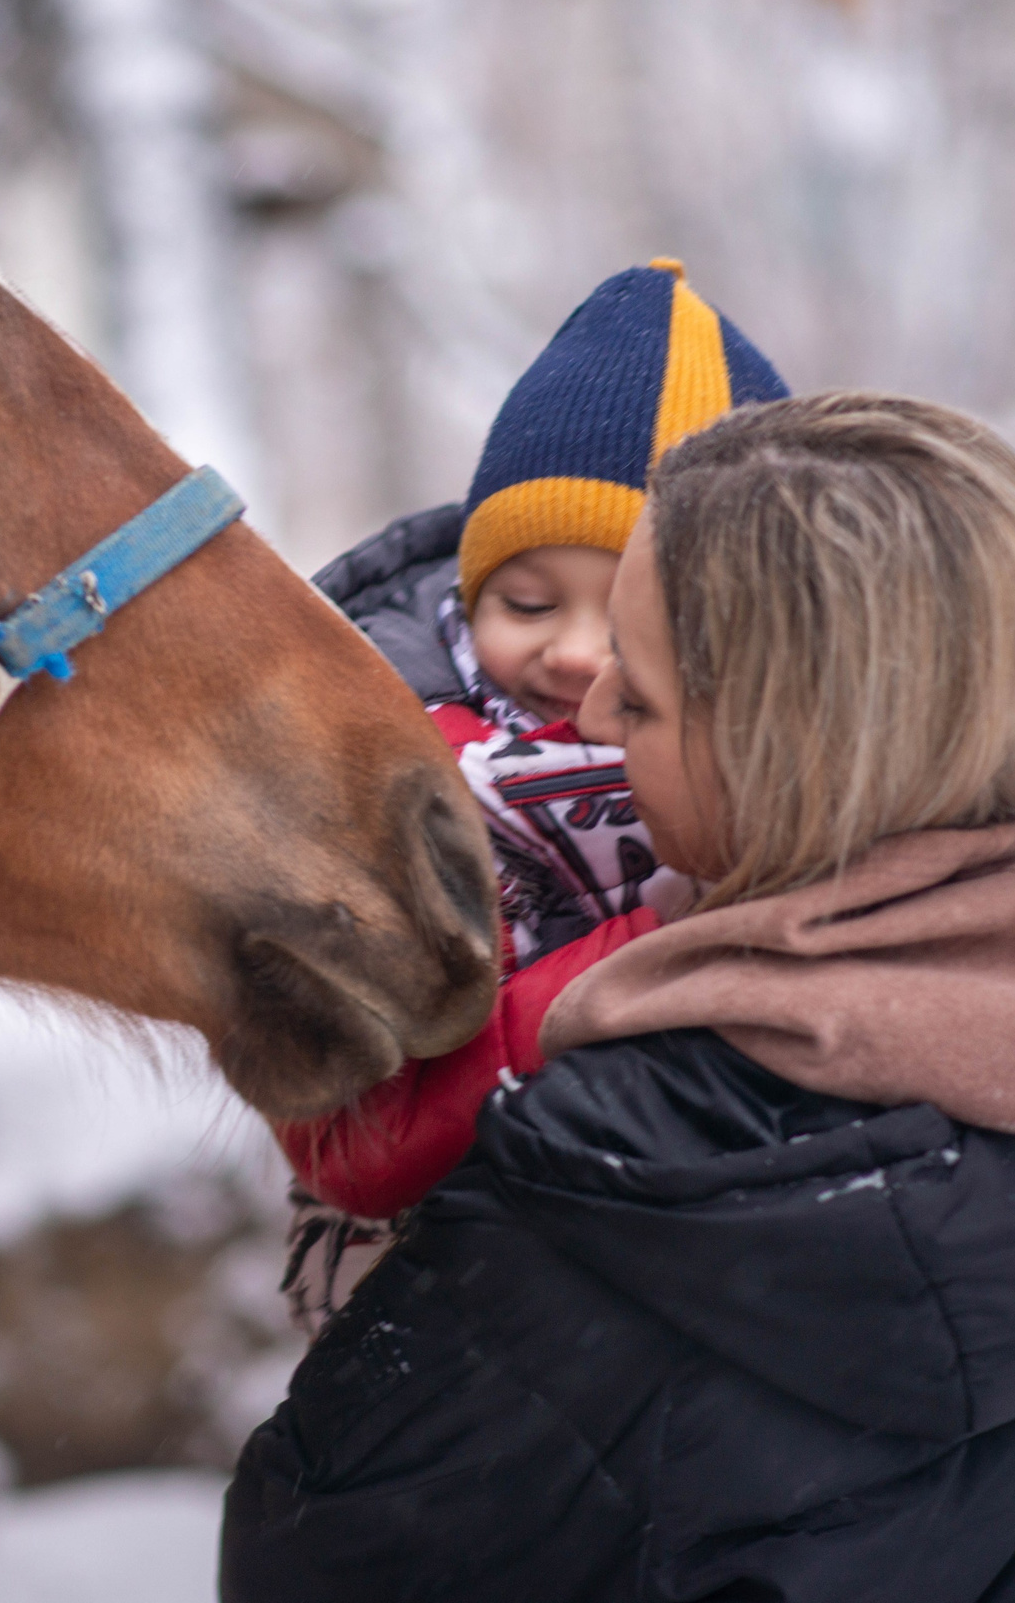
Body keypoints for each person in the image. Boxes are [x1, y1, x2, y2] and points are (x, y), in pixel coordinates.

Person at [222, 391, 1015, 1603]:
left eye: (638, 705)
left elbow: (325, 1575)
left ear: (787, 751)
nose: (585, 721)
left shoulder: (610, 1158)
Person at [276, 260, 787, 1330]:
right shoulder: (397, 774)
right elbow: (351, 1135)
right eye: (525, 599)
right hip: (444, 1272)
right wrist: (649, 948)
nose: (573, 654)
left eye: (641, 618)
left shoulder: (802, 777)